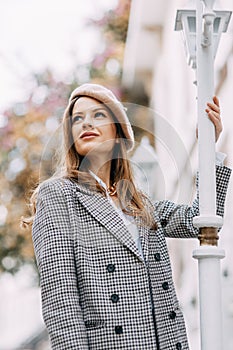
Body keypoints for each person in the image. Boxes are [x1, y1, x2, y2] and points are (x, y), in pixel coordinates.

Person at [26, 83, 231, 350]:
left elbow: (200, 219)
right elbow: (61, 300)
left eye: (98, 115)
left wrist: (207, 148)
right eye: (78, 118)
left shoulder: (139, 203)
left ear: (118, 131)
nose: (86, 122)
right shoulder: (58, 195)